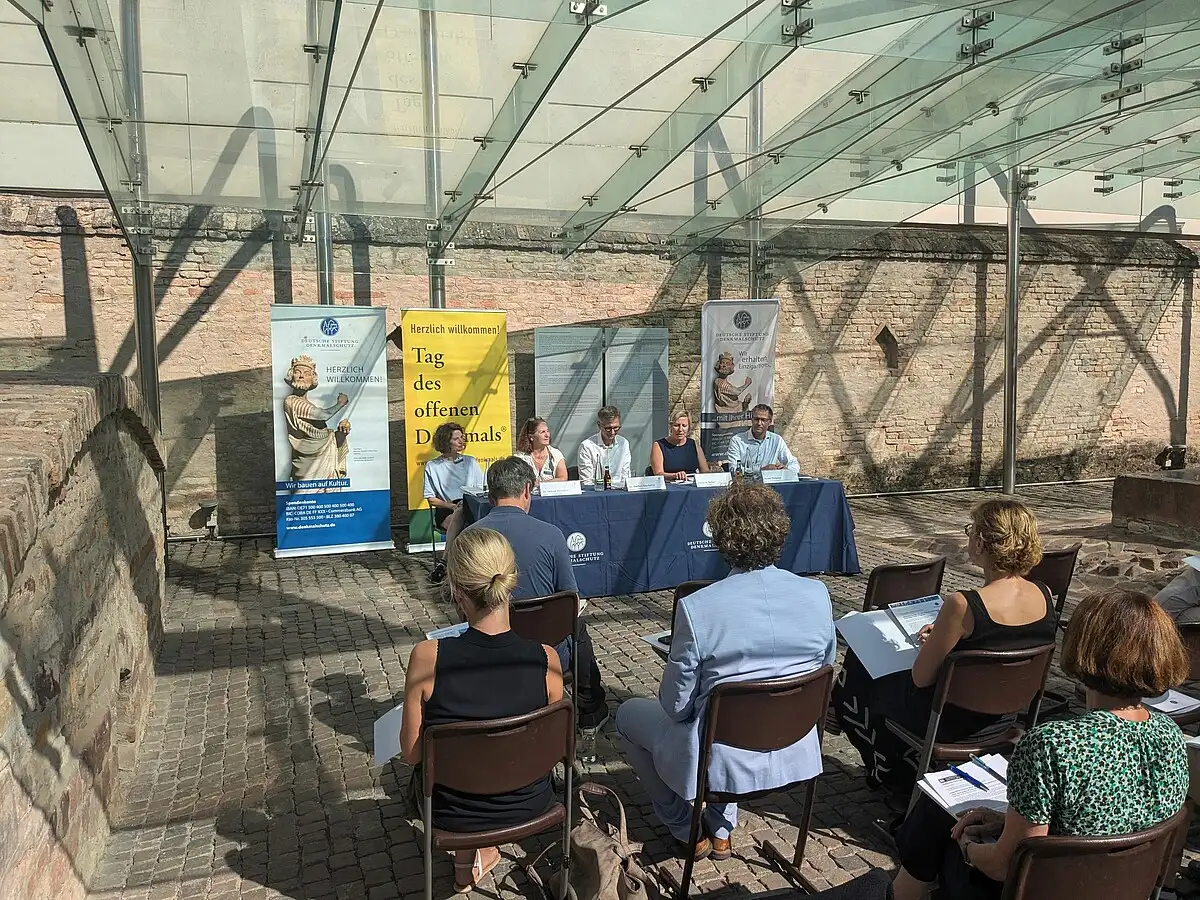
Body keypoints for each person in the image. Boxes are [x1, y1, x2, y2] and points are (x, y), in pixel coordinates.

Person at [892, 588, 1190, 900]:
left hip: (1045, 888)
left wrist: (967, 847)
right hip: (1120, 886)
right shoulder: (1169, 734)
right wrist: (1008, 821)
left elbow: (1002, 867)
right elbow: (1109, 819)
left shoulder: (1052, 745)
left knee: (936, 814)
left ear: (1081, 647)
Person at [615, 482, 836, 860]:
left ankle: (685, 827)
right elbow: (823, 670)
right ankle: (720, 829)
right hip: (793, 747)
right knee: (727, 710)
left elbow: (676, 706)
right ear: (779, 532)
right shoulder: (817, 595)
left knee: (626, 715)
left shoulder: (700, 608)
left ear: (721, 539)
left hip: (720, 755)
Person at [834, 499, 1058, 795]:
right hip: (1006, 715)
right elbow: (999, 644)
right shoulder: (1044, 595)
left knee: (859, 671)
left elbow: (920, 678)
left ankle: (888, 770)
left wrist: (933, 645)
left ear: (980, 543)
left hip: (951, 720)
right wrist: (945, 639)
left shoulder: (964, 604)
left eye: (970, 530)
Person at [400, 527, 565, 893]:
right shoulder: (546, 661)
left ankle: (467, 858)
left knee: (436, 769)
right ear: (511, 583)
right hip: (530, 801)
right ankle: (478, 855)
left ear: (458, 594)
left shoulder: (428, 658)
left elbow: (411, 753)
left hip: (453, 812)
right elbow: (555, 747)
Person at [464, 456, 609, 732]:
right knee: (578, 628)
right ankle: (589, 708)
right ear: (527, 490)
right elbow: (569, 598)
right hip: (547, 649)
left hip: (484, 647)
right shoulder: (551, 535)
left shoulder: (469, 537)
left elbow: (460, 605)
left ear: (490, 494)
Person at [423, 422, 485, 584]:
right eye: (456, 438)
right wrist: (451, 506)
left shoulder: (471, 462)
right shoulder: (433, 466)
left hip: (471, 503)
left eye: (461, 437)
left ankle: (445, 563)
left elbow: (482, 488)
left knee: (466, 516)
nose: (461, 441)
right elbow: (431, 498)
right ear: (446, 442)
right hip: (447, 507)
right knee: (461, 518)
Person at [282, 354, 351, 483]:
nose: (302, 376)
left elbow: (322, 435)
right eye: (298, 372)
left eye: (307, 373)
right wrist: (340, 403)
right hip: (306, 465)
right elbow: (322, 415)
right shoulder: (291, 401)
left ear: (312, 379)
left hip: (325, 460)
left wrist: (341, 433)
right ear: (291, 375)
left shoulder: (308, 404)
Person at [724, 404, 800, 473]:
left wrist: (786, 469)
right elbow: (733, 469)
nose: (759, 423)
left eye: (763, 420)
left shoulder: (776, 440)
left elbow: (794, 463)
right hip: (745, 485)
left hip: (769, 485)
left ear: (769, 422)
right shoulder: (737, 440)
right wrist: (762, 470)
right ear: (752, 420)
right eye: (757, 419)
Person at [577, 406, 632, 484]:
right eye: (608, 428)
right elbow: (586, 481)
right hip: (596, 491)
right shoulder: (587, 446)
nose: (612, 432)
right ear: (599, 425)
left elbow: (626, 473)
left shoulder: (623, 443)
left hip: (619, 490)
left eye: (616, 428)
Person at [650, 412, 711, 482]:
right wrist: (675, 475)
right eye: (676, 425)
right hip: (669, 485)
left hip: (692, 485)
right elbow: (658, 474)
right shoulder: (659, 445)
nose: (680, 429)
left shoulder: (693, 444)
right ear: (670, 427)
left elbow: (705, 471)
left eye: (684, 426)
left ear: (688, 428)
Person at [515, 417, 567, 483]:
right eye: (542, 432)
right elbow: (517, 482)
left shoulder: (555, 454)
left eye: (547, 431)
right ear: (531, 437)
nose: (547, 435)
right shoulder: (520, 458)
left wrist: (542, 484)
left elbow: (563, 478)